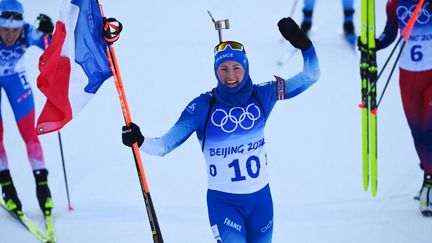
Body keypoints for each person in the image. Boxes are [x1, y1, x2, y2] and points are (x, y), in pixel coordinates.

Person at [122, 17, 320, 242]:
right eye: (223, 69)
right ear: (216, 71)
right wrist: (139, 139)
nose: (230, 75)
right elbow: (164, 145)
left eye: (236, 67)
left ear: (245, 67)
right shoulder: (203, 107)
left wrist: (305, 46)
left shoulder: (262, 95)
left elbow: (310, 76)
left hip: (261, 200)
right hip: (224, 203)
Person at [375, 0, 432, 217]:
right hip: (407, 75)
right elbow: (389, 33)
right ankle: (428, 172)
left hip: (431, 73)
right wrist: (374, 44)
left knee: (429, 129)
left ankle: (429, 181)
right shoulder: (393, 4)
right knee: (417, 131)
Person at [0, 0, 54, 216]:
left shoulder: (28, 32)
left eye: (15, 29)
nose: (10, 35)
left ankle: (43, 188)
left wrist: (51, 33)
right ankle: (8, 188)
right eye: (4, 29)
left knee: (30, 134)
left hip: (16, 80)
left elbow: (53, 50)